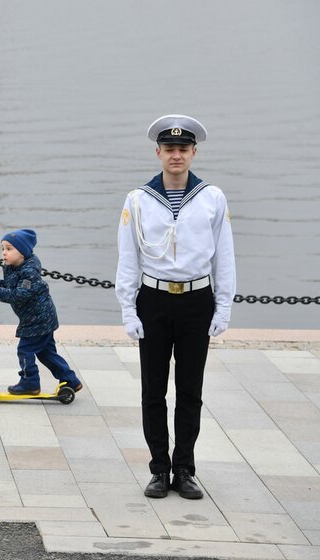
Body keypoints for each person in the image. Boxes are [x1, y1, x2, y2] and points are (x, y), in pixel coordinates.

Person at [116, 114, 235, 500]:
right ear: (158, 153)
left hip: (197, 301)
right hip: (153, 300)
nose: (176, 155)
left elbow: (225, 258)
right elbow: (128, 257)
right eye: (170, 149)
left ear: (193, 152)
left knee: (190, 390)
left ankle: (184, 469)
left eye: (183, 149)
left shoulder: (212, 198)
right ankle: (158, 469)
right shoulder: (138, 199)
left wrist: (223, 308)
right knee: (153, 391)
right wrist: (128, 310)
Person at [0, 229, 83, 396]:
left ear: (22, 252)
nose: (4, 253)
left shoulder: (29, 272)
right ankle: (70, 380)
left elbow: (20, 294)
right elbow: (12, 284)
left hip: (37, 320)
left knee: (25, 350)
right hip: (40, 318)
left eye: (9, 249)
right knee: (46, 353)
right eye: (3, 248)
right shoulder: (14, 266)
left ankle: (29, 382)